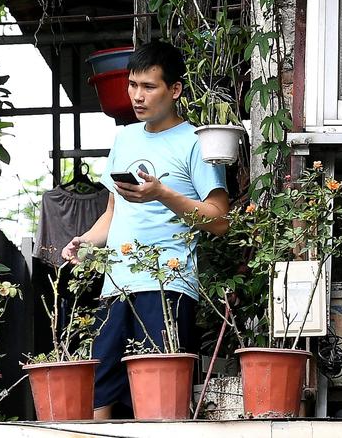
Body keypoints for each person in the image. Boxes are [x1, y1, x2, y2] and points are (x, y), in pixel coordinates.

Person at [61, 40, 231, 419]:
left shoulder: (196, 143)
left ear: (174, 90)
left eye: (149, 87)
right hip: (116, 286)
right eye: (132, 85)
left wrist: (162, 193)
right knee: (97, 400)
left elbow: (219, 219)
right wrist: (85, 242)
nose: (138, 96)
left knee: (159, 406)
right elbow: (113, 212)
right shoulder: (125, 138)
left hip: (166, 285)